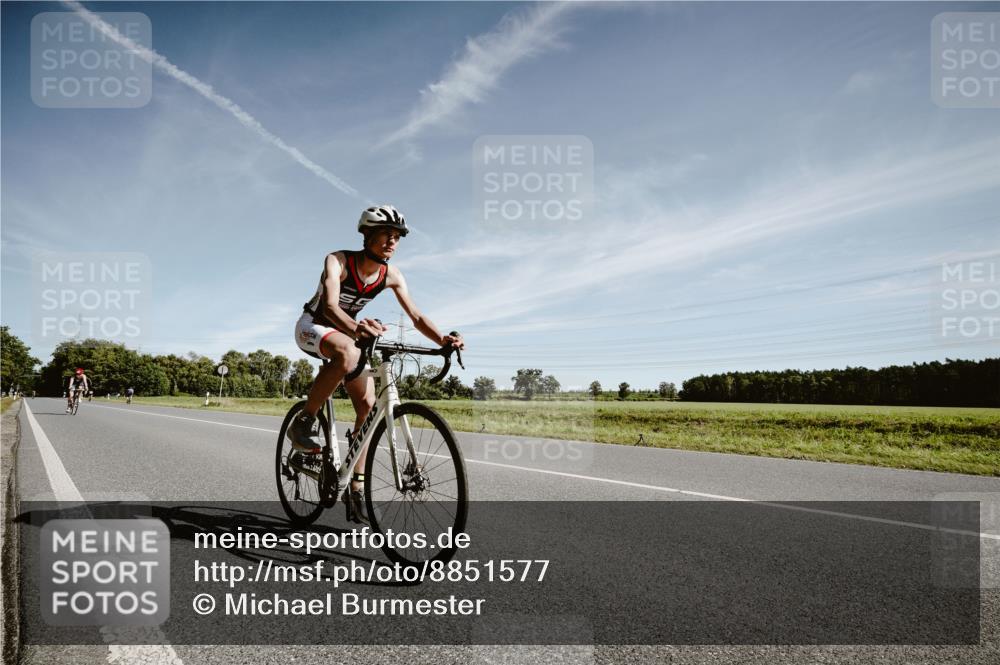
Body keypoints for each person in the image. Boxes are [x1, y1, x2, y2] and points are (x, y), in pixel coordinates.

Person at [289, 204, 464, 523]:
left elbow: (416, 316)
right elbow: (329, 306)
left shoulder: (392, 275)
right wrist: (356, 328)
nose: (392, 241)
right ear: (367, 234)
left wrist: (442, 340)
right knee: (346, 350)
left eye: (397, 236)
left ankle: (356, 487)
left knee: (368, 408)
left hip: (349, 332)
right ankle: (304, 419)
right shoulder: (338, 261)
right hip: (312, 325)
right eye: (386, 234)